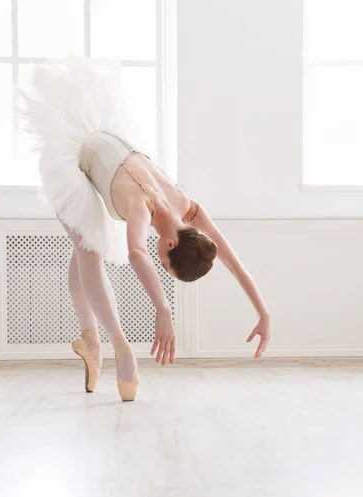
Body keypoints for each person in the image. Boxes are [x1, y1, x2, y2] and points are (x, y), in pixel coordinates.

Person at [22, 58, 270, 402]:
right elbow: (137, 251)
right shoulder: (144, 206)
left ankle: (91, 343)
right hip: (73, 157)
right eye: (166, 266)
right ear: (170, 243)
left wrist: (263, 311)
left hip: (104, 150)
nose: (161, 267)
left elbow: (232, 261)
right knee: (88, 253)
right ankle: (117, 345)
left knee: (85, 248)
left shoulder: (187, 208)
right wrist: (162, 308)